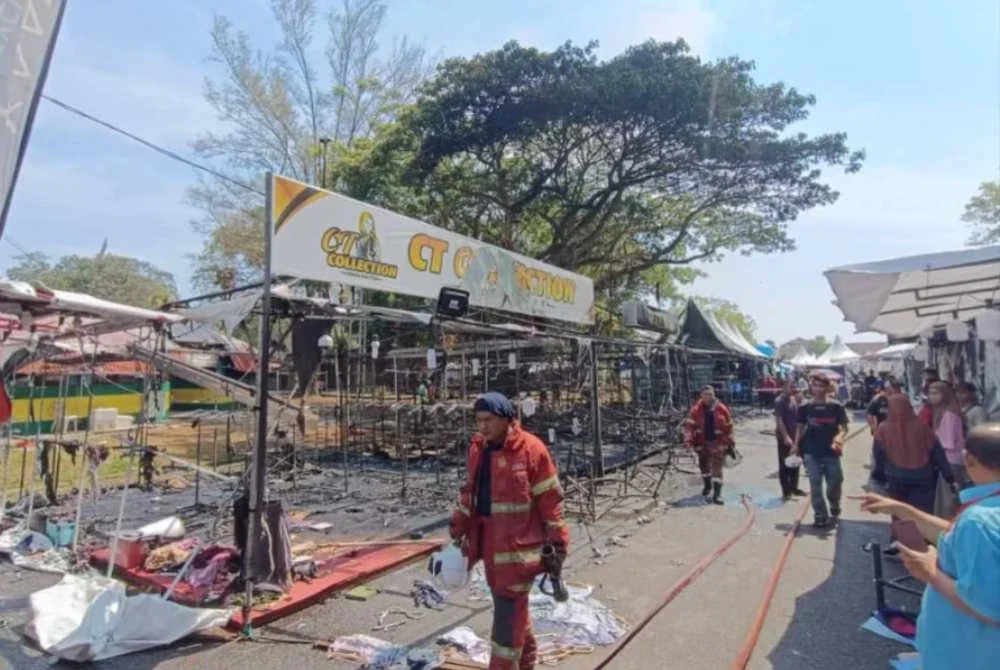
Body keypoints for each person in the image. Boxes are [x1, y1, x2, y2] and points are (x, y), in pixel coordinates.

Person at [853, 423, 1000, 670]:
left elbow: (990, 608)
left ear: (968, 459)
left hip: (968, 655)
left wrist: (930, 571)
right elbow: (958, 537)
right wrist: (904, 510)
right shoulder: (983, 515)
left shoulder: (978, 522)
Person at [450, 392, 569, 670]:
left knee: (505, 629)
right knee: (514, 613)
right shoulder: (478, 450)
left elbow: (550, 501)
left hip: (519, 556)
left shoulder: (532, 450)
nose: (482, 426)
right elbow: (471, 495)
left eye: (488, 420)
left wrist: (559, 543)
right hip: (490, 552)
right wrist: (458, 525)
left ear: (506, 419)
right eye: (478, 421)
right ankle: (526, 664)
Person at [872, 395, 956, 545]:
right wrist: (949, 477)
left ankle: (900, 542)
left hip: (894, 477)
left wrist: (879, 476)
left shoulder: (883, 428)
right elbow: (938, 453)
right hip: (923, 477)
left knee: (898, 510)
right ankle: (923, 542)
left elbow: (878, 456)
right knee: (922, 512)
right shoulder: (922, 427)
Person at [792, 373, 849, 528]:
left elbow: (844, 427)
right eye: (815, 385)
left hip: (831, 453)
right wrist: (796, 444)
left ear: (827, 387)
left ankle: (834, 505)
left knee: (835, 482)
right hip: (811, 452)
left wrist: (839, 437)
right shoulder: (805, 407)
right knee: (815, 483)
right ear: (811, 387)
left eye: (821, 385)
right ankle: (820, 514)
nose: (818, 388)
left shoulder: (836, 406)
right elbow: (800, 427)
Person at [683, 385, 735, 505]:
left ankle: (717, 495)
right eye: (705, 394)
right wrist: (688, 442)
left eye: (710, 394)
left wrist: (731, 443)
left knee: (717, 469)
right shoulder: (695, 410)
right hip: (702, 443)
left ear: (714, 395)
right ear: (701, 396)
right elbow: (689, 428)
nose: (708, 397)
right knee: (704, 467)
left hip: (718, 444)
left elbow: (729, 427)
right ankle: (707, 486)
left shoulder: (721, 408)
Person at [929, 381, 967, 516]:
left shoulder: (949, 413)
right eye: (930, 393)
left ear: (944, 394)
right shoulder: (943, 410)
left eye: (935, 393)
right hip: (949, 459)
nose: (931, 397)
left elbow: (948, 442)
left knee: (949, 500)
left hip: (951, 460)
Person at [774, 379, 806, 500]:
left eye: (794, 387)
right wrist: (786, 436)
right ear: (783, 387)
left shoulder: (794, 399)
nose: (793, 389)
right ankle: (786, 491)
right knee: (784, 464)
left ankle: (794, 488)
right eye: (791, 387)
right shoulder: (779, 401)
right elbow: (779, 420)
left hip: (795, 436)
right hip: (784, 438)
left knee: (795, 462)